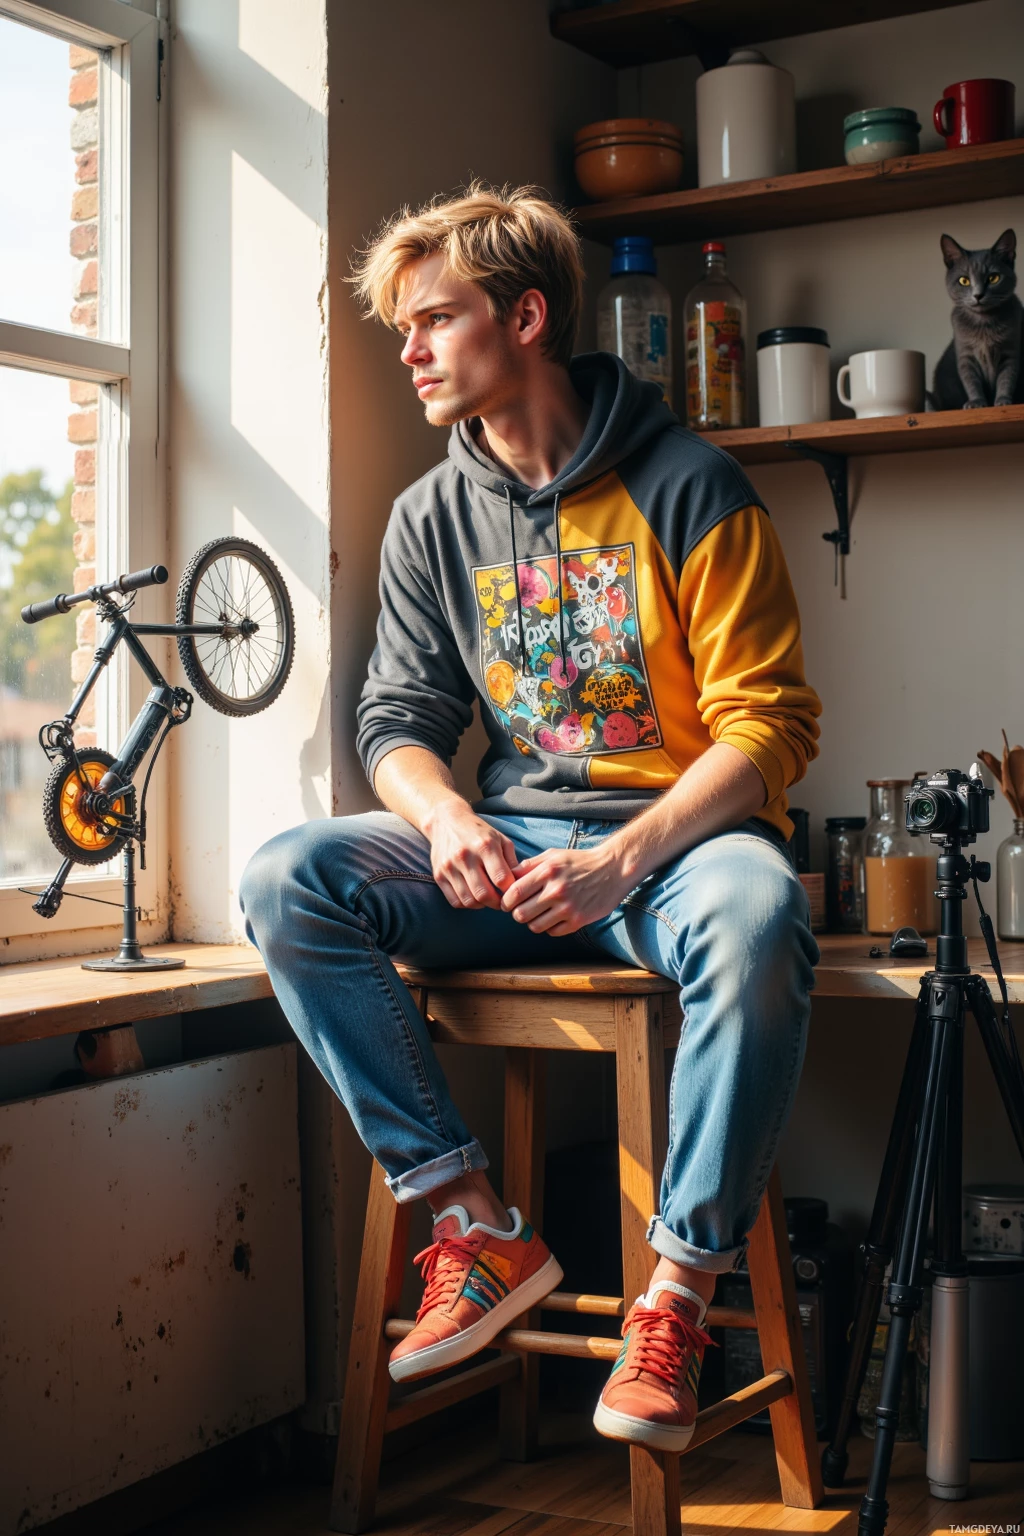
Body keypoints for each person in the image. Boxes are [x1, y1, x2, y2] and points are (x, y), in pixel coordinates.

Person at [240, 183, 821, 1454]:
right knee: (288, 876)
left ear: (527, 317)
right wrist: (443, 816)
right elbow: (394, 724)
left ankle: (675, 1300)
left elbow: (765, 728)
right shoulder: (428, 518)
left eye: (433, 320)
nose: (409, 352)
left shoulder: (693, 484)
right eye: (403, 327)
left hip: (671, 852)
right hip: (503, 855)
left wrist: (623, 857)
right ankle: (474, 1225)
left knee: (761, 909)